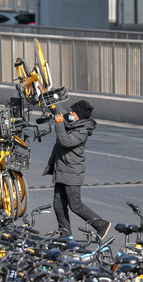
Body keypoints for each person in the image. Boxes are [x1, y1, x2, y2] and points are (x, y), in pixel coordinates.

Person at [42, 99, 111, 239]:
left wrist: (59, 124)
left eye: (73, 111)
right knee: (58, 205)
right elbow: (59, 111)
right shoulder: (73, 120)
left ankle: (101, 225)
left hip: (72, 172)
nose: (71, 113)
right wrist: (47, 100)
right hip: (62, 170)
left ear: (79, 115)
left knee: (75, 205)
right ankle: (65, 235)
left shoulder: (82, 130)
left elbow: (66, 142)